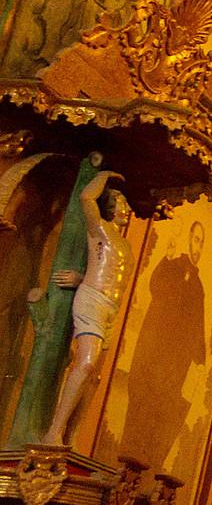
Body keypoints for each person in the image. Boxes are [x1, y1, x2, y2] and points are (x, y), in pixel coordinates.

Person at [41, 169, 133, 446]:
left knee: (95, 376)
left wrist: (82, 277)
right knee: (86, 364)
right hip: (92, 300)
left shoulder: (126, 245)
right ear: (111, 209)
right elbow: (86, 198)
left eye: (127, 207)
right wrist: (103, 175)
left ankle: (73, 436)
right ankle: (53, 432)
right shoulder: (101, 229)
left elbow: (107, 270)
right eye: (122, 206)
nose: (126, 212)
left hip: (110, 309)